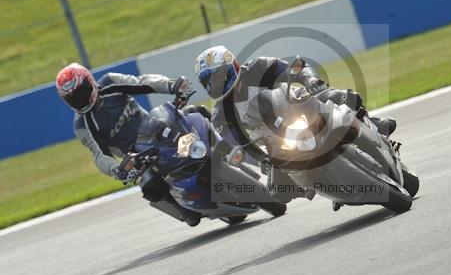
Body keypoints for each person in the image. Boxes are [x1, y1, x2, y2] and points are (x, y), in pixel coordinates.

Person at [193, 45, 396, 201]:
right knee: (279, 192)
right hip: (275, 140)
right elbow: (236, 144)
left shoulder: (258, 67)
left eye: (219, 77)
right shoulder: (220, 115)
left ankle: (375, 127)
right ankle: (328, 184)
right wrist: (261, 160)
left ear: (233, 67)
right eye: (209, 82)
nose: (216, 85)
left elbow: (296, 69)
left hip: (298, 103)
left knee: (342, 97)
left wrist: (312, 81)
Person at [55, 62, 199, 224]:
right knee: (150, 186)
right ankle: (182, 208)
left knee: (195, 114)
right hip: (140, 156)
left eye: (81, 93)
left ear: (90, 81)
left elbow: (143, 82)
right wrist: (116, 169)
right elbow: (99, 155)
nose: (80, 100)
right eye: (73, 98)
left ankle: (230, 148)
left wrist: (171, 85)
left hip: (159, 127)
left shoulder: (111, 82)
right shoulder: (82, 125)